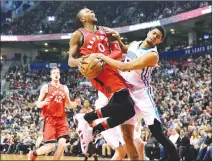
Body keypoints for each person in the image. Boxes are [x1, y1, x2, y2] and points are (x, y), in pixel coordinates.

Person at [93, 26, 180, 161]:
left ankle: (176, 158)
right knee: (127, 135)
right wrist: (117, 39)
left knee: (157, 133)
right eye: (154, 33)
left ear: (159, 42)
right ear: (148, 32)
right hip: (127, 93)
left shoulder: (152, 55)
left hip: (142, 93)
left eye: (158, 37)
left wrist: (103, 57)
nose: (154, 37)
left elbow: (124, 66)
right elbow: (124, 50)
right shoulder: (135, 44)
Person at [69, 8, 138, 160]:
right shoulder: (78, 34)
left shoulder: (106, 31)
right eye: (87, 11)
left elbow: (118, 52)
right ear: (82, 19)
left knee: (129, 111)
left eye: (92, 10)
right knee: (126, 106)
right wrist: (84, 61)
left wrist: (102, 58)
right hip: (99, 73)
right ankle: (86, 118)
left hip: (113, 69)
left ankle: (93, 126)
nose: (92, 11)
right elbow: (71, 61)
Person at [28, 67, 77, 161]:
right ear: (51, 75)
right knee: (50, 147)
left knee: (62, 144)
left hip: (62, 119)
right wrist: (42, 103)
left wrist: (75, 104)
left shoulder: (65, 88)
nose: (56, 74)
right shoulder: (46, 87)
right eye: (54, 72)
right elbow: (38, 104)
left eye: (58, 72)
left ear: (60, 75)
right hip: (50, 119)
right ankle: (33, 154)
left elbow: (68, 104)